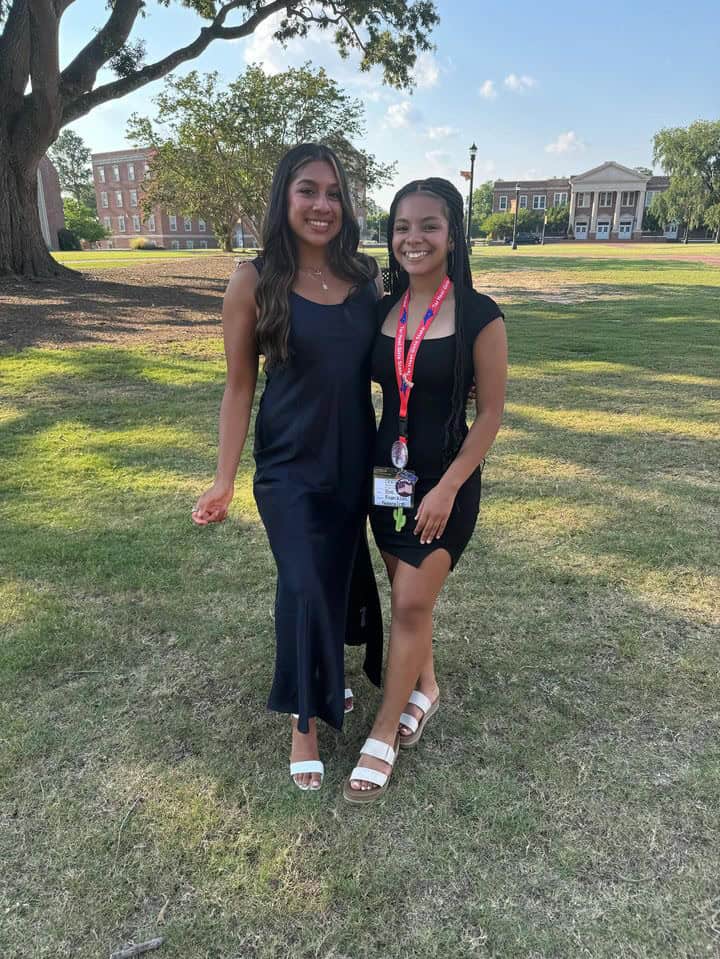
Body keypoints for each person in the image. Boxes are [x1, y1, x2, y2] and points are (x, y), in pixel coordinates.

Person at [192, 143, 384, 792]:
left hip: (354, 456)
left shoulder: (366, 277)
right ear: (285, 197)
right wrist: (224, 478)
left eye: (333, 192)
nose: (322, 204)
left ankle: (329, 672)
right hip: (288, 463)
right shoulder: (253, 279)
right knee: (301, 581)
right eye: (308, 190)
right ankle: (305, 721)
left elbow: (399, 361)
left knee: (336, 573)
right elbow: (239, 385)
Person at [344, 178, 508, 803]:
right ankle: (426, 688)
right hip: (388, 480)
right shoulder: (381, 307)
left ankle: (382, 735)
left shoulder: (479, 314)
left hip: (447, 484)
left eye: (429, 226)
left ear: (452, 234)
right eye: (402, 227)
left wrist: (447, 489)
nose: (414, 238)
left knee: (411, 604)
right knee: (406, 595)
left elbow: (489, 414)